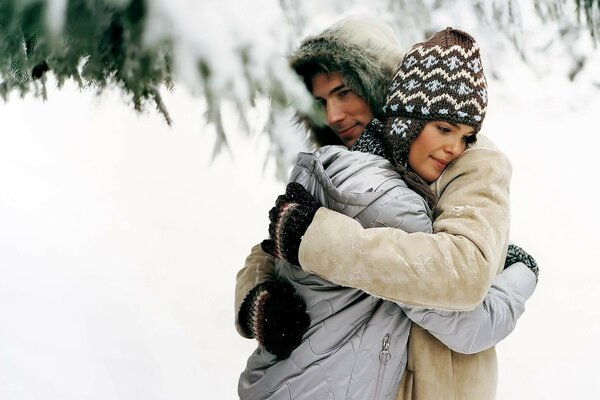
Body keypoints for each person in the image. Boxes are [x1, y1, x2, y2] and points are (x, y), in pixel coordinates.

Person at [237, 23, 538, 400]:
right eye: (321, 102)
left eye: (344, 92)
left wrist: (316, 240)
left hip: (436, 383)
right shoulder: (349, 165)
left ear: (380, 82)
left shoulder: (469, 162)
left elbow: (463, 272)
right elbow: (271, 247)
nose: (334, 115)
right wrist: (258, 298)